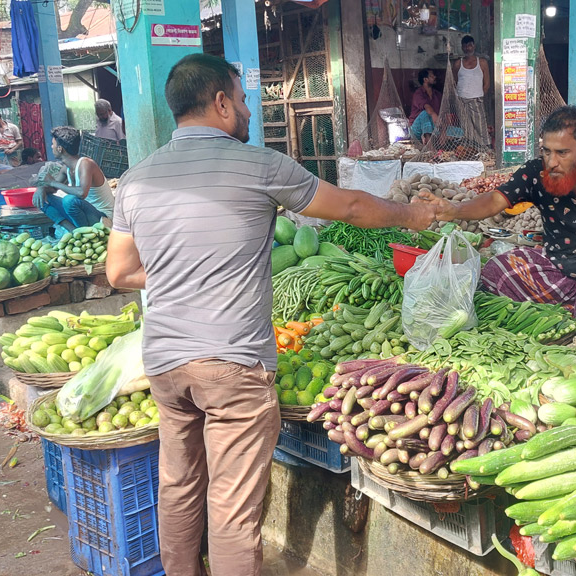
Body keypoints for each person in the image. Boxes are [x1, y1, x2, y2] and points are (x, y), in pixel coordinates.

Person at [104, 53, 438, 576]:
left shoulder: (137, 179)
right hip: (233, 364)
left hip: (165, 362)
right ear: (219, 103)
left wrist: (180, 273)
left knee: (178, 485)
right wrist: (412, 215)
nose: (248, 111)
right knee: (233, 510)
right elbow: (349, 208)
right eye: (242, 101)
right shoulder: (259, 165)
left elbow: (120, 273)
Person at [418, 106, 576, 334]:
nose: (552, 161)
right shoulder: (535, 173)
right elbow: (495, 200)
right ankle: (569, 307)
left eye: (562, 153)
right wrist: (455, 209)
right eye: (546, 151)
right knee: (496, 270)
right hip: (558, 261)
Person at [33, 126, 114, 232]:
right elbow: (52, 188)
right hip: (83, 214)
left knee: (69, 201)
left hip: (101, 217)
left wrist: (52, 182)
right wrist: (41, 188)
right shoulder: (65, 168)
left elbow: (81, 193)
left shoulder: (86, 164)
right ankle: (74, 231)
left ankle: (84, 233)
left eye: (53, 144)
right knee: (41, 198)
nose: (51, 147)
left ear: (60, 149)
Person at [451, 35, 490, 145]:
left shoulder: (482, 63)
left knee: (480, 125)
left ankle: (485, 148)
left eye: (470, 45)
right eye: (465, 46)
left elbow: (486, 84)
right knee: (466, 126)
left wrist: (479, 96)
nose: (468, 48)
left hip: (476, 99)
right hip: (461, 100)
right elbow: (454, 82)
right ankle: (471, 148)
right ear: (462, 48)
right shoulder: (458, 63)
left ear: (474, 46)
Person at [409, 68, 443, 142]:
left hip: (433, 125)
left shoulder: (437, 94)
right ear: (425, 79)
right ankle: (428, 144)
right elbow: (427, 107)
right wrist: (433, 114)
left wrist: (442, 130)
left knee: (458, 131)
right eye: (432, 76)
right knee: (425, 113)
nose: (435, 77)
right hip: (416, 129)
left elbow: (443, 112)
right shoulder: (418, 94)